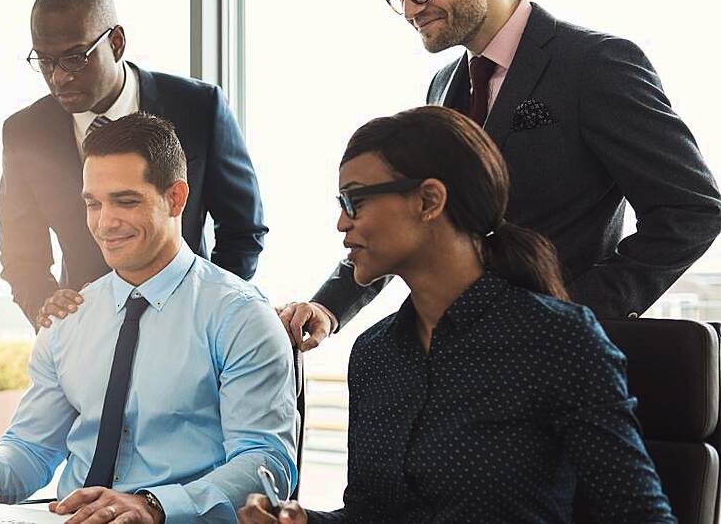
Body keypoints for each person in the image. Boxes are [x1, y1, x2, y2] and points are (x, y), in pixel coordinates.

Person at [280, 0, 721, 350]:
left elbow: (692, 210)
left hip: (558, 364)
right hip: (459, 354)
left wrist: (572, 311)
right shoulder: (442, 87)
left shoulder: (594, 65)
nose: (412, 7)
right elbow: (415, 220)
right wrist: (329, 306)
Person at [238, 106, 674, 523]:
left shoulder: (556, 340)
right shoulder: (375, 355)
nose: (340, 224)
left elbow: (639, 515)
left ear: (429, 200)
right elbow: (369, 516)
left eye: (354, 202)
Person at [0, 113, 297, 523]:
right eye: (93, 203)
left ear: (176, 198)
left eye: (125, 201)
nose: (105, 222)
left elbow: (266, 464)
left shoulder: (241, 317)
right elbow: (32, 447)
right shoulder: (70, 316)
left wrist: (154, 505)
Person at [0, 0, 267, 330]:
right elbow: (20, 255)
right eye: (45, 62)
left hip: (190, 326)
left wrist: (209, 309)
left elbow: (242, 229)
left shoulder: (199, 107)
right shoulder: (24, 133)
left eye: (74, 58)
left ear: (116, 42)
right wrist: (49, 311)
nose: (58, 78)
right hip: (85, 332)